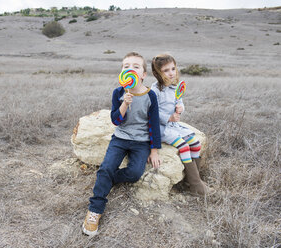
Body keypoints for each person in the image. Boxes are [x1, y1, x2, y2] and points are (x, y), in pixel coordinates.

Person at [82, 52, 162, 236]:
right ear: (121, 72)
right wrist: (124, 104)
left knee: (134, 174)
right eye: (126, 66)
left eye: (135, 66)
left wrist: (155, 150)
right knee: (107, 166)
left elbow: (154, 124)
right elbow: (116, 121)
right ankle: (95, 209)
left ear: (143, 74)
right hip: (120, 137)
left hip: (141, 142)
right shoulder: (119, 92)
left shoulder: (150, 96)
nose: (130, 69)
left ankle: (108, 178)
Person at [150, 53, 213, 196]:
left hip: (174, 127)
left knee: (195, 143)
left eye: (173, 69)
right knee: (184, 146)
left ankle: (191, 181)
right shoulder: (155, 91)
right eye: (166, 70)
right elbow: (152, 113)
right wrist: (169, 117)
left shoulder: (174, 87)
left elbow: (179, 101)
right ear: (157, 73)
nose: (171, 73)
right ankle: (196, 186)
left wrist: (180, 108)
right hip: (162, 128)